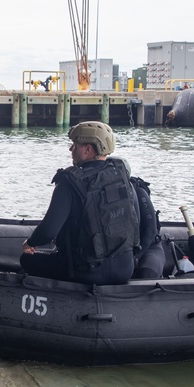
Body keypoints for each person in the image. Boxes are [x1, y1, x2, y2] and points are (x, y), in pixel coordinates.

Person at [21, 121, 140, 285]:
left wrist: (30, 243)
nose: (71, 150)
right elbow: (135, 221)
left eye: (75, 145)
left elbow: (48, 231)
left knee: (27, 260)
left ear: (88, 149)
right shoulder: (121, 176)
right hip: (125, 269)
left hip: (87, 272)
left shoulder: (69, 182)